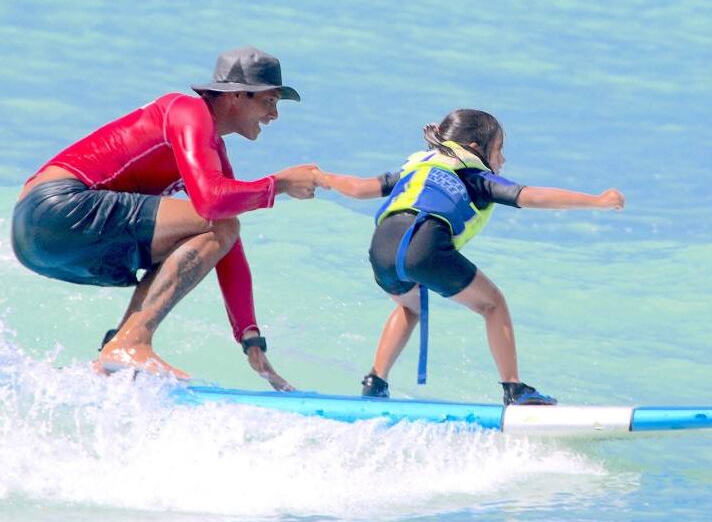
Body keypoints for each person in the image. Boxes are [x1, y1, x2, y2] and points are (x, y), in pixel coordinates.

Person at [10, 46, 328, 390]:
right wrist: (278, 184)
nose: (274, 115)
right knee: (218, 221)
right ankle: (130, 343)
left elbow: (227, 243)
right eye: (269, 101)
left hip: (37, 238)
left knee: (215, 229)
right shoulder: (188, 111)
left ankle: (115, 352)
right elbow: (214, 208)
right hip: (57, 208)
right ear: (237, 95)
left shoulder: (210, 148)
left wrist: (250, 337)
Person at [323, 109, 624, 406]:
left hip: (381, 248)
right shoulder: (474, 176)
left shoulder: (414, 169)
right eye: (499, 150)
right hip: (424, 246)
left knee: (410, 306)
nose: (502, 160)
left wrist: (321, 177)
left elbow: (359, 188)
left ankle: (375, 381)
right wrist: (598, 201)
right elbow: (532, 196)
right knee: (493, 304)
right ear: (476, 149)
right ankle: (514, 388)